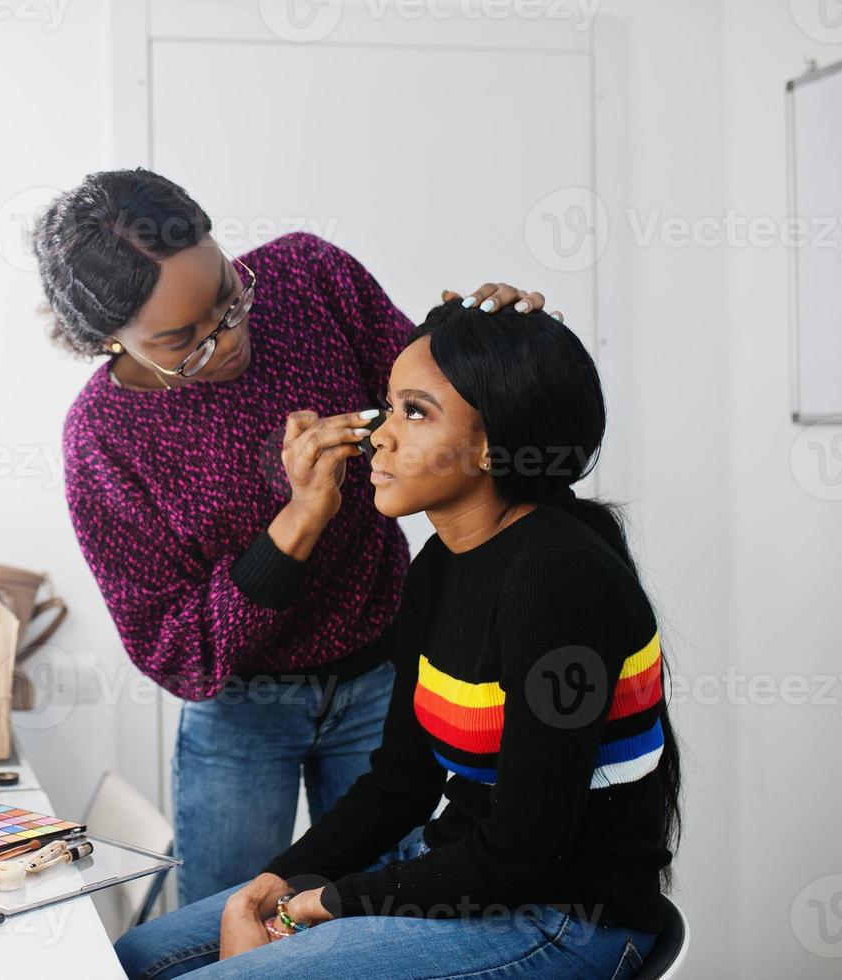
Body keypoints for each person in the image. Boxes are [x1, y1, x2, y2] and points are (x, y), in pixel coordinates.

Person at [113, 299, 682, 979]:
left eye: (414, 411)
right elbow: (398, 785)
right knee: (134, 958)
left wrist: (311, 908)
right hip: (470, 892)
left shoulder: (555, 581)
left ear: (491, 443)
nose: (379, 433)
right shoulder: (438, 566)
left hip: (563, 922)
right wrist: (279, 879)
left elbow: (524, 854)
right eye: (387, 405)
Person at [33, 168, 555, 903]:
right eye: (181, 339)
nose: (229, 336)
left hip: (387, 677)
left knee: (384, 925)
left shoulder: (306, 276)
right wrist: (299, 519)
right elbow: (176, 652)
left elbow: (433, 409)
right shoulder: (104, 439)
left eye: (227, 297)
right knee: (228, 937)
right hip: (240, 716)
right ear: (100, 339)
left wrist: (498, 346)